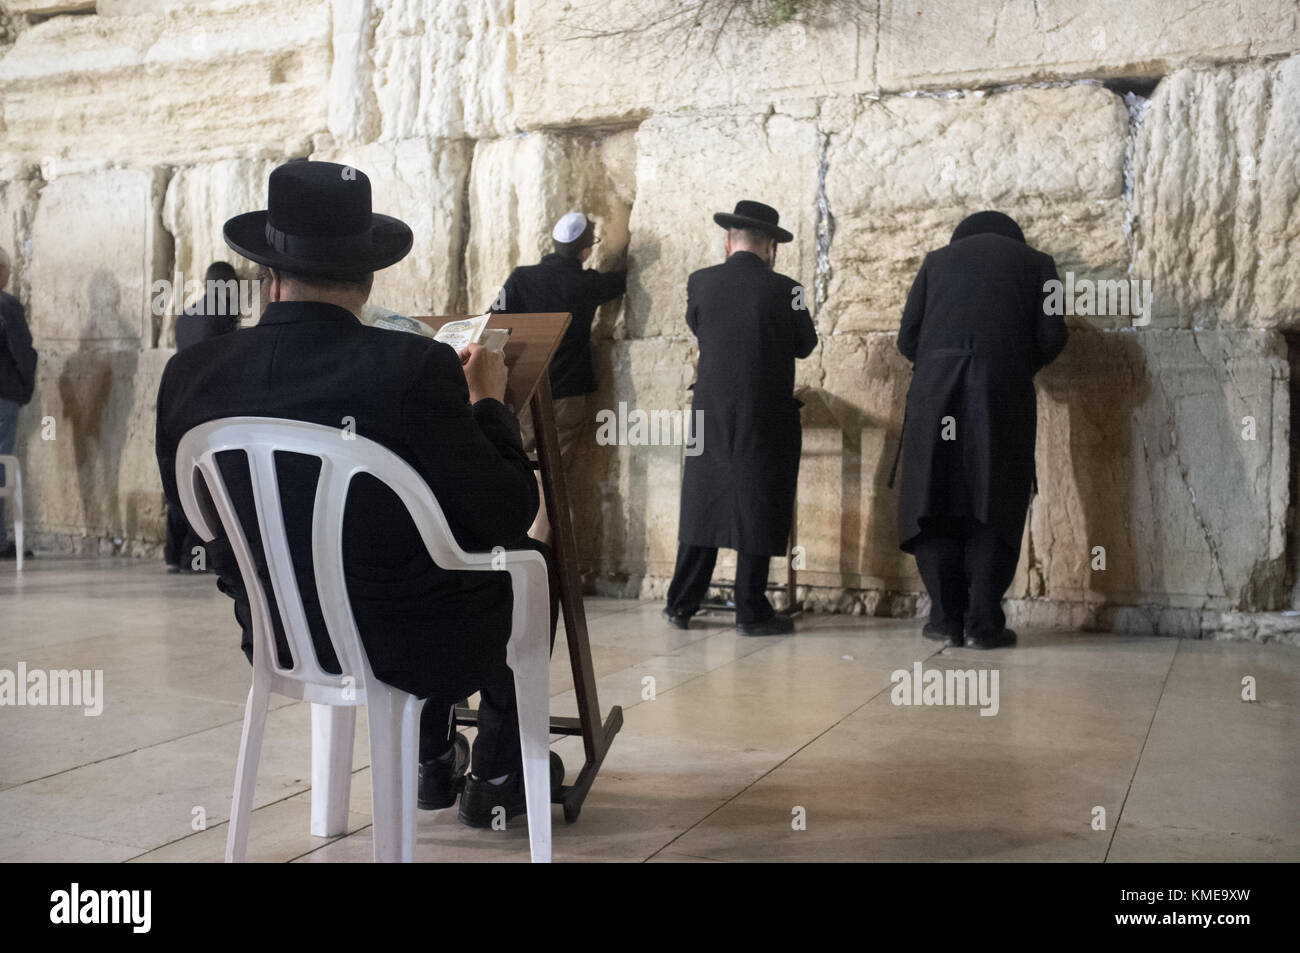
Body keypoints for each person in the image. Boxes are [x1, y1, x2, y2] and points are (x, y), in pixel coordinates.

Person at [154, 161, 559, 829]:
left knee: (413, 551)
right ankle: (495, 771)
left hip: (278, 633)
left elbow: (196, 518)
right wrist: (489, 403)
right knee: (524, 562)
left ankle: (434, 762)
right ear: (369, 274)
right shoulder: (413, 367)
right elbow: (506, 509)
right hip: (412, 646)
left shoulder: (190, 376)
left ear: (267, 272)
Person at [895, 210, 1067, 650]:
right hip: (1000, 395)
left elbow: (907, 337)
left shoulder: (936, 261)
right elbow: (1052, 337)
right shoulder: (1039, 264)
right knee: (996, 499)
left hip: (935, 394)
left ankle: (945, 618)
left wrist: (940, 363)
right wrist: (1012, 363)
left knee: (934, 500)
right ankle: (984, 622)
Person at [664, 200, 817, 636]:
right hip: (764, 411)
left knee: (703, 502)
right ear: (771, 246)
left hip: (710, 411)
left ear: (729, 241)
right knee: (759, 501)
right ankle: (751, 609)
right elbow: (805, 345)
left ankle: (681, 604)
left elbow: (700, 325)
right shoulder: (787, 288)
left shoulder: (701, 282)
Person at [489, 211, 626, 542]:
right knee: (553, 480)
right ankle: (545, 560)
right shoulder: (586, 284)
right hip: (567, 395)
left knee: (520, 473)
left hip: (524, 391)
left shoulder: (522, 278)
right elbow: (620, 280)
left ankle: (516, 550)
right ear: (584, 249)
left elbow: (493, 322)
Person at [164, 261, 242, 573]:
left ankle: (176, 554)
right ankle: (196, 557)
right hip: (209, 406)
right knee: (206, 483)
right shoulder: (222, 312)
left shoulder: (186, 316)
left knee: (180, 480)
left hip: (178, 402)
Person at [0, 245, 37, 561]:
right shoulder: (6, 305)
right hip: (3, 395)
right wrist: (26, 388)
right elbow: (21, 351)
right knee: (1, 465)